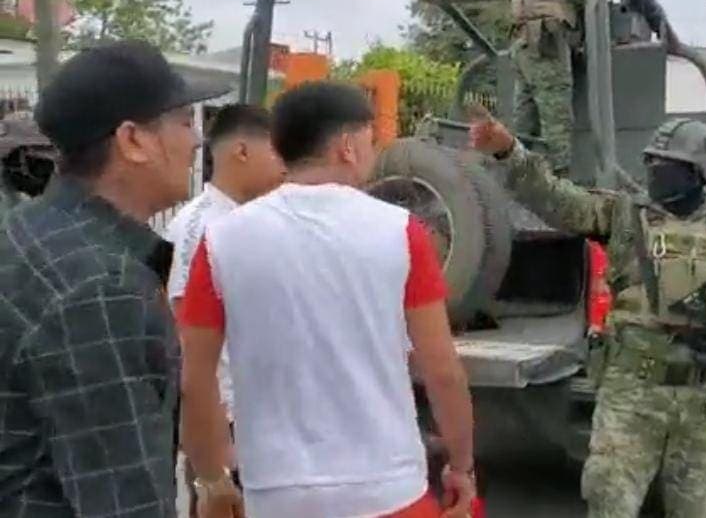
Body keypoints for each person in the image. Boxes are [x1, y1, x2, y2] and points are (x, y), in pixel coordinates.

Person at [179, 82, 475, 518]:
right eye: (371, 143)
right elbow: (442, 369)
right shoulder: (400, 232)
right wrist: (461, 466)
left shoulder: (222, 240)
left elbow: (194, 378)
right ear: (348, 147)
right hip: (388, 491)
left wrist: (212, 479)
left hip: (276, 494)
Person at [470, 115, 706, 518]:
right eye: (651, 162)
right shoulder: (624, 215)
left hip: (703, 402)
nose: (655, 172)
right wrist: (509, 152)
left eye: (669, 165)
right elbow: (554, 198)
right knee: (609, 502)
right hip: (631, 392)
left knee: (696, 508)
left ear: (700, 172)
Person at [0, 40, 227, 517]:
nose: (196, 142)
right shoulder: (101, 288)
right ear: (133, 141)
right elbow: (125, 501)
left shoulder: (27, 231)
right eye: (185, 123)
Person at [164, 104, 285, 516]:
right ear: (241, 152)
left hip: (256, 420)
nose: (285, 165)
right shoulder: (201, 226)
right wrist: (213, 461)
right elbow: (188, 345)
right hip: (224, 423)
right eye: (277, 151)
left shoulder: (247, 221)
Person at [510, 0, 616, 173]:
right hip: (546, 44)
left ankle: (514, 182)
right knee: (557, 126)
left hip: (524, 43)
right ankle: (560, 189)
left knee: (523, 125)